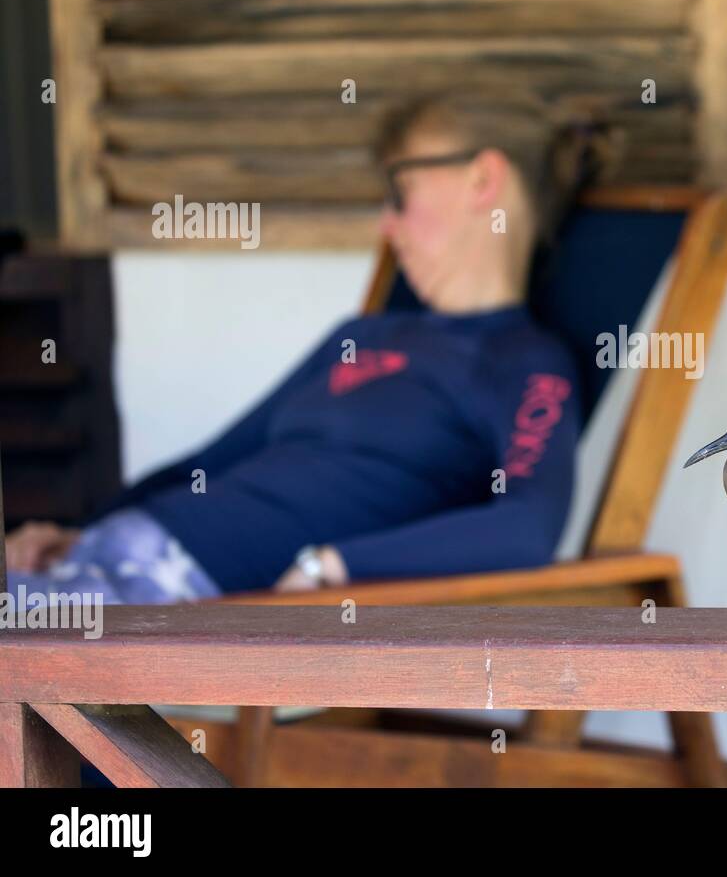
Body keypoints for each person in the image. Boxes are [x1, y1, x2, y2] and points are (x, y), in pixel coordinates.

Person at [5, 87, 620, 601]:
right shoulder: (361, 337)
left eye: (398, 194)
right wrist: (77, 531)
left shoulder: (524, 364)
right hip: (96, 561)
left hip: (166, 598)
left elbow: (527, 526)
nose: (385, 224)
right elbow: (213, 460)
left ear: (483, 179)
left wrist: (334, 564)